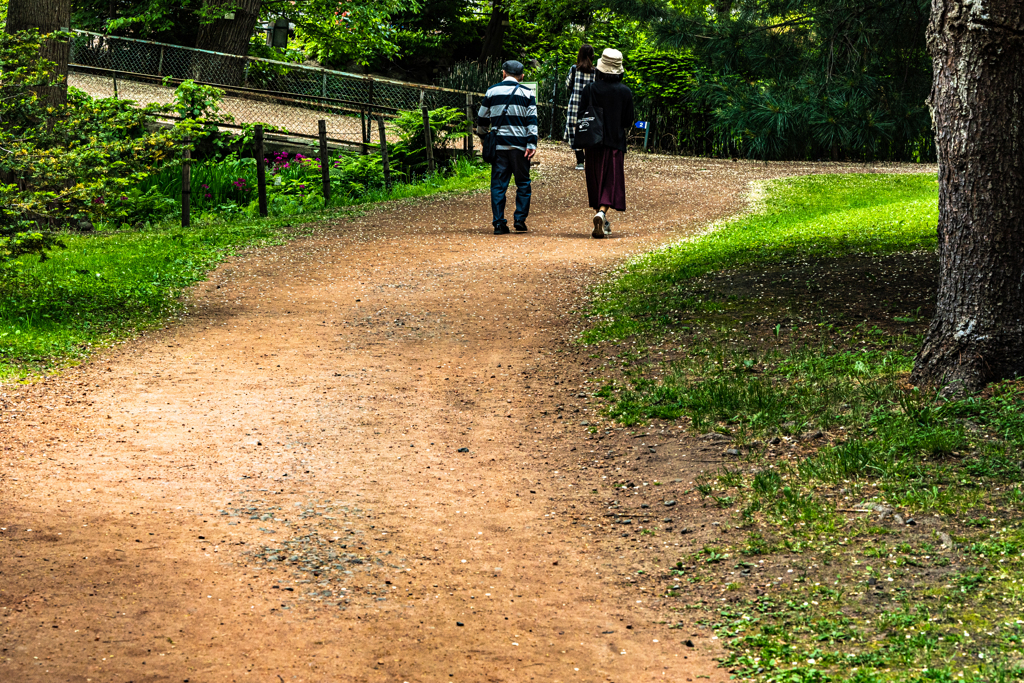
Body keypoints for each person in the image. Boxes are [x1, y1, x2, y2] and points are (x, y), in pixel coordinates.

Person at [476, 60, 538, 235]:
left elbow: (481, 118)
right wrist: (531, 143)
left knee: (498, 185)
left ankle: (499, 223)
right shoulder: (527, 93)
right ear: (522, 76)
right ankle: (519, 219)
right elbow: (532, 121)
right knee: (523, 183)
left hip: (499, 146)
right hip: (520, 146)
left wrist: (483, 137)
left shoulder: (492, 91)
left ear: (503, 73)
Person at [578, 48, 634, 239]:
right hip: (615, 142)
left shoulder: (590, 89)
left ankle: (601, 216)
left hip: (593, 142)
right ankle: (602, 213)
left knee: (596, 180)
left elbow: (581, 116)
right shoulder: (625, 92)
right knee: (611, 181)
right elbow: (627, 121)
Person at [564, 44, 596, 171]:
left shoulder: (574, 69)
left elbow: (568, 85)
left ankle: (579, 161)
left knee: (575, 131)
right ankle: (589, 159)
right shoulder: (596, 71)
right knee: (589, 130)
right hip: (590, 106)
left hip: (575, 105)